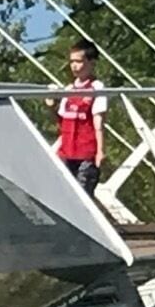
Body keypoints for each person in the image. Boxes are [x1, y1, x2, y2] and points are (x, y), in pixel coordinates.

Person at [55, 43, 107, 196]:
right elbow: (61, 121)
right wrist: (51, 106)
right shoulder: (69, 89)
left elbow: (99, 122)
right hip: (66, 153)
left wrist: (100, 151)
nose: (74, 66)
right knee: (65, 197)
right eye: (72, 61)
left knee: (83, 196)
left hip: (86, 153)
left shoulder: (96, 87)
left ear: (91, 63)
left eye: (78, 61)